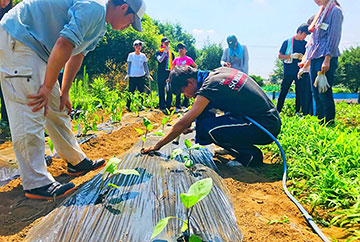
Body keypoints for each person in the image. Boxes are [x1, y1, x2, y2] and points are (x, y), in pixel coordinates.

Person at [0, 0, 146, 200]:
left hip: (37, 50)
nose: (128, 26)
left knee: (56, 107)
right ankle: (36, 183)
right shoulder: (94, 8)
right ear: (123, 8)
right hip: (19, 38)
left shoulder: (101, 26)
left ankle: (75, 161)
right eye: (131, 20)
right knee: (32, 107)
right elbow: (64, 43)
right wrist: (46, 86)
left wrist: (64, 91)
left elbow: (77, 55)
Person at [142, 66, 282, 167]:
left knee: (207, 129)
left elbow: (182, 123)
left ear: (190, 82)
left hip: (264, 127)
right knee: (204, 124)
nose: (186, 95)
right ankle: (232, 145)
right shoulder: (217, 72)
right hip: (269, 120)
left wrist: (157, 146)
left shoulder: (209, 86)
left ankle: (250, 156)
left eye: (182, 91)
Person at [306, 0, 343, 125]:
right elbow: (313, 36)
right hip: (315, 56)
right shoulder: (321, 12)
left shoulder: (335, 11)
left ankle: (329, 123)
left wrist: (327, 59)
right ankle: (320, 123)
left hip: (326, 56)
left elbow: (334, 37)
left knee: (324, 93)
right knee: (315, 93)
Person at [277, 24, 311, 115]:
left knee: (299, 91)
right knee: (284, 90)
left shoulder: (305, 44)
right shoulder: (287, 42)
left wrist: (302, 58)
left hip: (299, 71)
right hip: (288, 70)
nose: (305, 37)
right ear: (299, 32)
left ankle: (297, 111)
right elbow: (280, 56)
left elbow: (308, 56)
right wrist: (291, 56)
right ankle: (278, 110)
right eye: (304, 34)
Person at [170, 43, 198, 112]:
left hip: (186, 79)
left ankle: (185, 106)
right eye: (179, 49)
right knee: (178, 92)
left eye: (182, 48)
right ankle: (177, 107)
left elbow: (195, 66)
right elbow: (172, 69)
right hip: (178, 79)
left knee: (187, 92)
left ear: (185, 50)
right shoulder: (176, 59)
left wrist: (191, 72)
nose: (180, 50)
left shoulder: (188, 59)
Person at [125, 39, 150, 111]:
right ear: (134, 47)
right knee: (131, 91)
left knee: (141, 91)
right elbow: (129, 65)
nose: (138, 47)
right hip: (132, 76)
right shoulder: (131, 55)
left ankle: (141, 105)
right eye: (137, 45)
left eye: (140, 45)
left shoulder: (143, 56)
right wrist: (128, 74)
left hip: (141, 76)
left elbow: (145, 65)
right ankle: (128, 106)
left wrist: (147, 74)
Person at [155, 37, 175, 113]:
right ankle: (162, 106)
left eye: (168, 43)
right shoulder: (158, 52)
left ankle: (168, 106)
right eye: (165, 43)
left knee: (169, 89)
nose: (167, 44)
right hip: (161, 73)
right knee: (161, 89)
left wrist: (172, 74)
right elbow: (160, 60)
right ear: (162, 43)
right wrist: (164, 52)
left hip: (168, 73)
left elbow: (173, 64)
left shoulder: (171, 54)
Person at [0, 0, 11, 125]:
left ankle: (6, 118)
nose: (4, 3)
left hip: (5, 54)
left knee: (5, 86)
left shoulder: (10, 14)